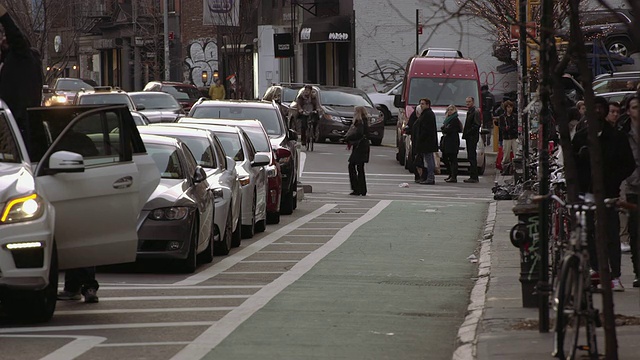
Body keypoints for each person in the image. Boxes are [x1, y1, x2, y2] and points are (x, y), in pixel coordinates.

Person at [571, 95, 635, 291]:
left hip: (608, 192)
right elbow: (571, 162)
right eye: (594, 108)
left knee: (611, 234)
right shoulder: (581, 136)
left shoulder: (616, 137)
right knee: (587, 231)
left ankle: (614, 275)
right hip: (586, 192)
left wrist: (612, 179)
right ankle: (596, 269)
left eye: (601, 108)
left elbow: (628, 164)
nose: (597, 112)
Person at [0, 5, 43, 151]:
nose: (3, 40)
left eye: (7, 39)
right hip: (10, 126)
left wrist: (4, 15)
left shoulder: (22, 56)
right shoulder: (9, 63)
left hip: (21, 127)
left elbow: (14, 34)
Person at [624, 95, 640, 287]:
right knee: (635, 231)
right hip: (633, 188)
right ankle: (638, 270)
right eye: (635, 107)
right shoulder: (625, 133)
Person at [344, 106, 370, 196]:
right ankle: (362, 189)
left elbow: (358, 133)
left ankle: (356, 188)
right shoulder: (365, 121)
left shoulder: (359, 122)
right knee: (360, 168)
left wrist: (348, 138)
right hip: (364, 146)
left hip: (359, 147)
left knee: (352, 165)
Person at [413, 98, 438, 185]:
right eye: (420, 104)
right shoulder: (425, 114)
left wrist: (420, 139)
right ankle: (428, 177)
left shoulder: (428, 114)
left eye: (423, 104)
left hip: (427, 142)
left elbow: (426, 130)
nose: (421, 105)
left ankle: (430, 177)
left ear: (428, 105)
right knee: (427, 160)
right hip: (426, 142)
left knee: (429, 160)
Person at [441, 104, 462, 183]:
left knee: (453, 159)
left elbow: (450, 130)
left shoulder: (455, 120)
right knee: (445, 158)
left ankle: (453, 176)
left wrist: (445, 129)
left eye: (451, 110)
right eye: (448, 110)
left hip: (452, 141)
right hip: (447, 141)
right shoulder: (448, 119)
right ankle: (450, 174)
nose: (450, 111)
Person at [407, 99, 427, 182]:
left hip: (420, 143)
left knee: (420, 161)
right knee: (417, 160)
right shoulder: (416, 119)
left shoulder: (422, 119)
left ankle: (421, 176)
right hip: (416, 142)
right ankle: (418, 176)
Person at [462, 96, 481, 183]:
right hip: (469, 137)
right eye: (466, 102)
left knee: (472, 157)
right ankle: (472, 175)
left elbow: (476, 125)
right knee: (471, 157)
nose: (467, 103)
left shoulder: (475, 112)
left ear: (473, 102)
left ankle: (474, 176)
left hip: (472, 137)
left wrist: (469, 132)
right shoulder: (470, 112)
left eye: (469, 102)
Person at [498, 100, 518, 174]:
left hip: (514, 137)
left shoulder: (515, 116)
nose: (510, 109)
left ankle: (515, 168)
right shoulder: (502, 117)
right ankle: (505, 168)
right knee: (506, 153)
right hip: (506, 137)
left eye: (511, 107)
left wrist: (511, 129)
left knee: (516, 152)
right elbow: (501, 127)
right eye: (508, 107)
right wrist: (505, 129)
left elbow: (516, 127)